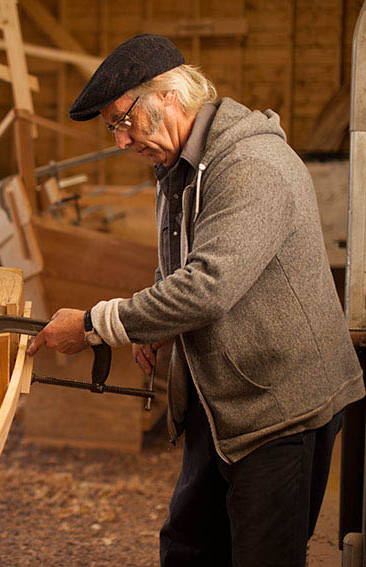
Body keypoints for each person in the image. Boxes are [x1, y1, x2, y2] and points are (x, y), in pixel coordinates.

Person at [26, 33, 365, 566]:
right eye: (112, 128)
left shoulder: (251, 165)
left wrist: (97, 324)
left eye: (121, 119)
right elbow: (178, 263)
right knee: (187, 549)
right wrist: (157, 321)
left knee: (262, 557)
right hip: (223, 398)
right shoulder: (179, 167)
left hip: (280, 406)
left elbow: (207, 286)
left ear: (170, 95)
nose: (119, 141)